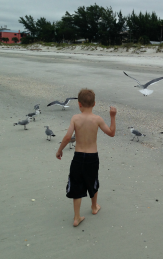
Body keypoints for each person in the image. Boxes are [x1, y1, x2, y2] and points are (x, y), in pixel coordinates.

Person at [56, 88, 116, 227]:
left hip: (78, 157)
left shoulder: (75, 118)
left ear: (79, 104)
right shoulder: (98, 119)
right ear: (94, 104)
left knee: (76, 184)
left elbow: (67, 137)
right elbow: (111, 133)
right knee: (92, 180)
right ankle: (94, 207)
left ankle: (76, 217)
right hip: (92, 157)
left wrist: (59, 150)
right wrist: (112, 116)